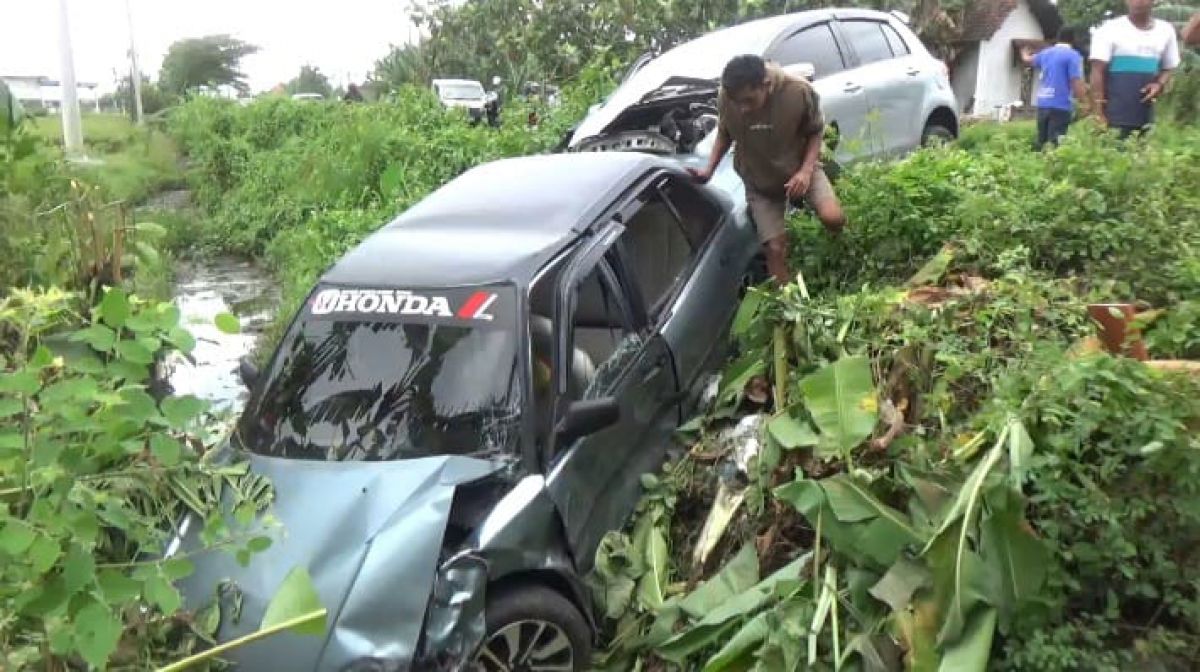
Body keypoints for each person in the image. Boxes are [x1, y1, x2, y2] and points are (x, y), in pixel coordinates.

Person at [689, 55, 846, 286]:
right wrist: (708, 169)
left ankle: (841, 254)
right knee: (774, 247)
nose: (742, 109)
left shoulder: (798, 91)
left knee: (833, 218)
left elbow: (815, 131)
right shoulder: (727, 96)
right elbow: (725, 131)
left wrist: (804, 171)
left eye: (748, 101)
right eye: (737, 102)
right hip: (759, 181)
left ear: (766, 85)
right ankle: (790, 303)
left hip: (800, 170)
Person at [1088, 0, 1181, 138]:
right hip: (1113, 116)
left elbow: (1169, 67)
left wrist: (1159, 84)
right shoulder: (1109, 29)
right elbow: (1097, 72)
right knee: (1114, 155)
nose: (1138, 2)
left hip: (1145, 116)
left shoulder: (1165, 30)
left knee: (1141, 156)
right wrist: (1098, 113)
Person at [1020, 27, 1090, 147]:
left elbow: (1027, 60)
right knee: (1055, 143)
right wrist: (1084, 103)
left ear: (1058, 38)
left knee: (1042, 142)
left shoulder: (1045, 53)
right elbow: (1075, 81)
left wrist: (1024, 52)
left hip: (1043, 103)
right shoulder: (1073, 56)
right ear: (1073, 40)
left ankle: (1039, 163)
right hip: (1060, 106)